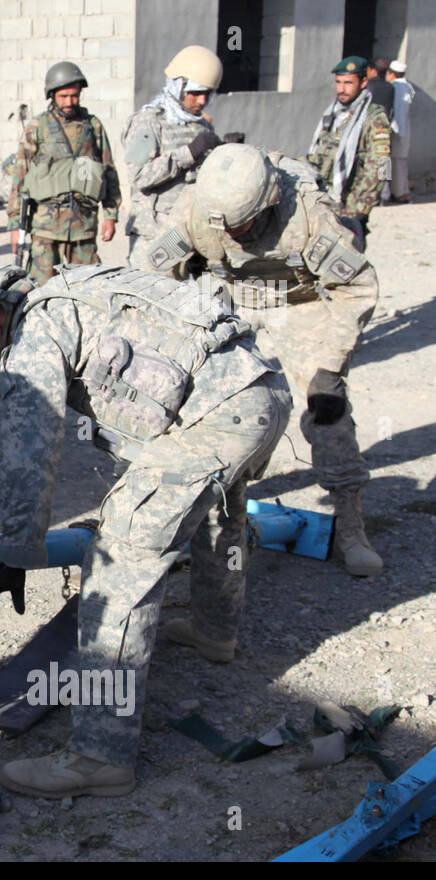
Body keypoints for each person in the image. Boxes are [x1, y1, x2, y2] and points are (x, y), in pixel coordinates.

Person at [0, 261, 290, 797]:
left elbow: (30, 452)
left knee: (121, 557)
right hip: (263, 390)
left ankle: (98, 755)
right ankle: (214, 631)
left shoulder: (34, 333)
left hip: (219, 416)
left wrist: (14, 554)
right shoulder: (81, 287)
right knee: (217, 507)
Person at [143, 143, 383, 578]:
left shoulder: (307, 213)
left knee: (326, 407)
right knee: (203, 406)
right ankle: (201, 522)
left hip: (299, 301)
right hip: (231, 297)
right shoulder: (199, 209)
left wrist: (331, 364)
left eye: (243, 225)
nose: (233, 235)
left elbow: (358, 288)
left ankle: (351, 527)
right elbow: (158, 276)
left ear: (268, 203)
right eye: (225, 228)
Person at [7, 61, 120, 282]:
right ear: (52, 95)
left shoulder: (93, 126)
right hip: (45, 228)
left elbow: (108, 171)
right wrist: (14, 225)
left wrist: (111, 215)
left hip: (83, 225)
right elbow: (20, 177)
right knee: (40, 290)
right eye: (63, 96)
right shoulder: (37, 128)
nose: (69, 102)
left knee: (89, 287)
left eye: (74, 96)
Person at [122, 45, 223, 266]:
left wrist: (226, 153)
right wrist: (188, 153)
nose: (201, 101)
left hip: (192, 229)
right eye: (195, 93)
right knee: (153, 293)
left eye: (207, 93)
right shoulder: (147, 122)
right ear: (179, 87)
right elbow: (139, 176)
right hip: (156, 233)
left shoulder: (202, 126)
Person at [306, 56, 391, 237]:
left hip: (351, 205)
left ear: (363, 82)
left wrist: (364, 209)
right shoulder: (333, 114)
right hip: (323, 199)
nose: (341, 89)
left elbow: (382, 164)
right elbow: (318, 153)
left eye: (348, 83)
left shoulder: (374, 117)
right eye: (338, 82)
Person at [384, 60, 412, 204]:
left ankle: (397, 193)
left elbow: (398, 112)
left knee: (393, 162)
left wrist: (396, 131)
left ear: (391, 73)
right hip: (404, 129)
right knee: (400, 161)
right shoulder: (408, 86)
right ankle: (402, 191)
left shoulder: (396, 86)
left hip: (396, 129)